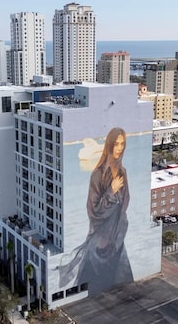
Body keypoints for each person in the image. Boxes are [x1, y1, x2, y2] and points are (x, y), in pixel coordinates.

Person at [58, 127, 133, 296]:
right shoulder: (97, 175)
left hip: (117, 240)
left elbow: (125, 202)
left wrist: (120, 227)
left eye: (122, 144)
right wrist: (111, 192)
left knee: (124, 284)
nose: (119, 148)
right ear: (109, 146)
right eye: (116, 144)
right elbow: (93, 211)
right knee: (94, 289)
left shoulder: (122, 172)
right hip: (99, 243)